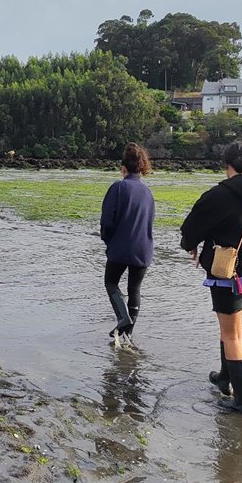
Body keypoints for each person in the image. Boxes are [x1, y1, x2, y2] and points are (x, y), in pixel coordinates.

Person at [180, 140, 242, 415]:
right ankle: (224, 377)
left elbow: (191, 226)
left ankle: (241, 402)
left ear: (226, 165)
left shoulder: (218, 194)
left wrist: (191, 246)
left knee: (231, 334)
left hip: (228, 274)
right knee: (233, 329)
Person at [99, 143, 155, 348]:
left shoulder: (118, 187)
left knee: (110, 282)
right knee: (135, 289)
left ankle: (123, 319)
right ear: (141, 167)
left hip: (121, 247)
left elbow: (107, 221)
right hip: (144, 249)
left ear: (123, 167)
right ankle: (127, 336)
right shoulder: (147, 192)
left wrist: (108, 241)